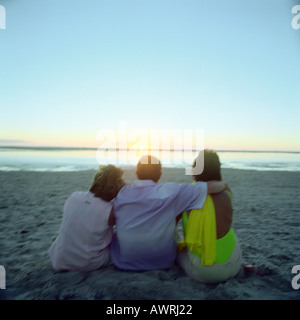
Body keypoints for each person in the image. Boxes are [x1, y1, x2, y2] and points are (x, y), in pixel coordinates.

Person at [110, 155, 228, 271]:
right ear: (160, 175)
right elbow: (211, 187)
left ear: (137, 173)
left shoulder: (123, 193)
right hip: (162, 262)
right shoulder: (171, 192)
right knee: (171, 219)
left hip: (124, 262)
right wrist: (224, 184)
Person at [176, 149, 242, 283]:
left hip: (206, 272)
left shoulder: (186, 195)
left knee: (176, 248)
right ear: (218, 170)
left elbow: (171, 224)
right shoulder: (227, 192)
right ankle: (244, 268)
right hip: (235, 262)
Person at [48, 165, 125, 272]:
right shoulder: (110, 211)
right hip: (87, 263)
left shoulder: (74, 197)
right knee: (118, 239)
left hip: (59, 260)